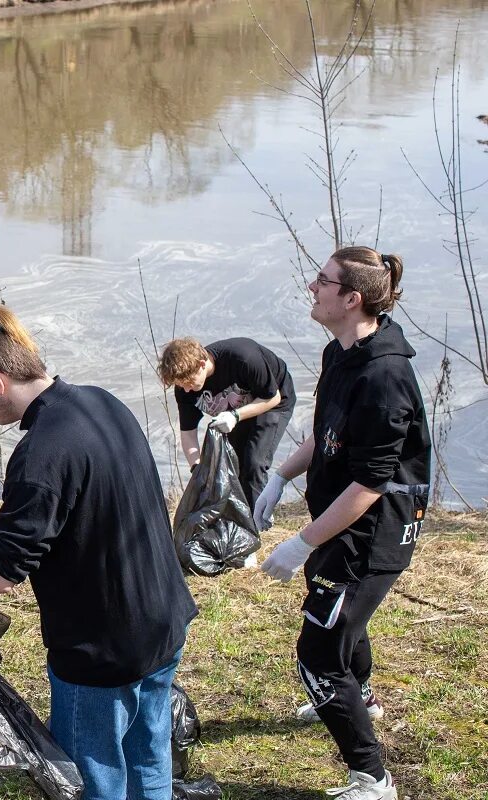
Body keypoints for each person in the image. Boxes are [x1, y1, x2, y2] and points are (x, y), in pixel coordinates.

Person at [0, 306, 199, 800]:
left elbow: (2, 575)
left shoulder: (41, 450)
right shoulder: (100, 403)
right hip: (163, 619)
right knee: (148, 754)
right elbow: (74, 507)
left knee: (92, 775)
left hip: (102, 648)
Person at [255, 247, 429, 800]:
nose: (312, 286)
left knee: (319, 654)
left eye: (323, 281)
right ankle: (365, 699)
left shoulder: (385, 378)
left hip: (372, 531)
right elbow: (328, 434)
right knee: (341, 620)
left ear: (351, 299)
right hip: (342, 521)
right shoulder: (342, 354)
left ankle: (372, 779)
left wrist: (301, 543)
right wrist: (281, 475)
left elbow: (371, 483)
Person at [157, 336, 296, 509]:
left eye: (189, 382)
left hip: (272, 402)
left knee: (254, 463)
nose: (186, 389)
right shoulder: (185, 389)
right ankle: (238, 519)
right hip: (237, 410)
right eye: (181, 385)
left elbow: (273, 397)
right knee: (233, 465)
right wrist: (197, 468)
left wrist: (235, 416)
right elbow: (188, 434)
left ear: (202, 364)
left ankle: (257, 523)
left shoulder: (243, 358)